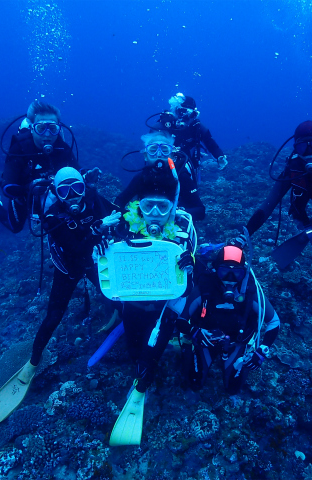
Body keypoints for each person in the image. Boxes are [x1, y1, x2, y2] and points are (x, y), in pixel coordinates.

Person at [0, 167, 121, 423]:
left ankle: (118, 317)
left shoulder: (93, 197)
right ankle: (32, 363)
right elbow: (75, 249)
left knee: (117, 296)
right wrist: (99, 228)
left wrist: (118, 224)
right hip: (68, 268)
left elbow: (117, 213)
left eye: (77, 188)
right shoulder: (52, 216)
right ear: (57, 192)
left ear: (84, 187)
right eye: (65, 191)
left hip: (92, 262)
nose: (73, 196)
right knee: (53, 317)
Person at [108, 175, 196, 446]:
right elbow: (108, 265)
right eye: (148, 206)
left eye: (163, 206)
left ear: (172, 208)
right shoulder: (123, 227)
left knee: (154, 350)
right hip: (134, 304)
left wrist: (190, 262)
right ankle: (139, 368)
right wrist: (99, 245)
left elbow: (192, 280)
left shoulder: (183, 230)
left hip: (165, 307)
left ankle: (142, 386)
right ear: (139, 207)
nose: (155, 213)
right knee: (134, 348)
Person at [0, 100, 100, 233]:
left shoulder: (61, 147)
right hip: (24, 195)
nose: (47, 135)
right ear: (32, 128)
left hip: (53, 193)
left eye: (52, 129)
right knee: (15, 227)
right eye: (41, 128)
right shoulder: (20, 148)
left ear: (58, 129)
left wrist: (87, 175)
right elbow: (7, 188)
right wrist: (28, 188)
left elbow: (77, 170)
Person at [176, 245, 281, 394]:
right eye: (224, 272)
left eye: (236, 273)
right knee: (194, 382)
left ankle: (236, 357)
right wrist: (195, 332)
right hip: (206, 341)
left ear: (244, 274)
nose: (230, 279)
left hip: (236, 342)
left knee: (233, 388)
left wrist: (262, 350)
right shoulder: (204, 288)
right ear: (215, 270)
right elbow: (181, 320)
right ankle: (189, 350)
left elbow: (274, 321)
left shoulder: (250, 292)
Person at [149, 93, 228, 217]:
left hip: (185, 164)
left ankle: (182, 214)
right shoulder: (162, 126)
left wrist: (219, 156)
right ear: (175, 110)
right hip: (162, 163)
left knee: (188, 194)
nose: (185, 117)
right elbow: (150, 149)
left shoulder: (196, 127)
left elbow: (210, 142)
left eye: (190, 114)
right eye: (182, 112)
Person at [116, 131, 206, 220]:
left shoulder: (181, 177)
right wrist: (125, 217)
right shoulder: (140, 178)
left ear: (172, 155)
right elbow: (119, 201)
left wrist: (176, 214)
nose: (159, 154)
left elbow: (200, 211)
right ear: (145, 156)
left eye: (164, 150)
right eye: (153, 150)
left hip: (173, 225)